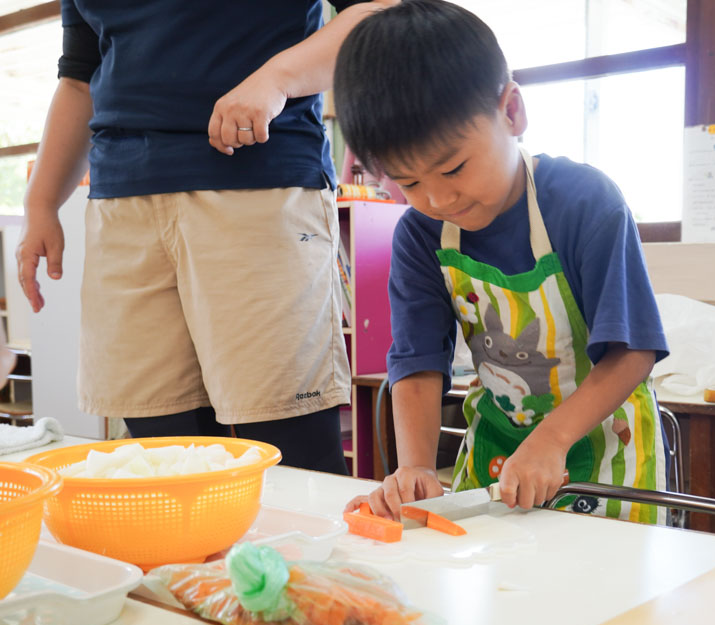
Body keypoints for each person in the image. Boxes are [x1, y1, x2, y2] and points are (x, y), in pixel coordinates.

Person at [17, 0, 396, 473]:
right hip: (121, 202)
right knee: (158, 450)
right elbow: (79, 75)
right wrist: (41, 204)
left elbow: (382, 14)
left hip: (257, 184)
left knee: (288, 444)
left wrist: (277, 78)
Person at [337, 0, 670, 521]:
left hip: (608, 458)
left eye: (453, 168)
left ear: (511, 112)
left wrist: (553, 438)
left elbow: (632, 352)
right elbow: (419, 363)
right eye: (410, 183)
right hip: (496, 462)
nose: (438, 199)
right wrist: (416, 468)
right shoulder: (421, 236)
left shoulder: (584, 204)